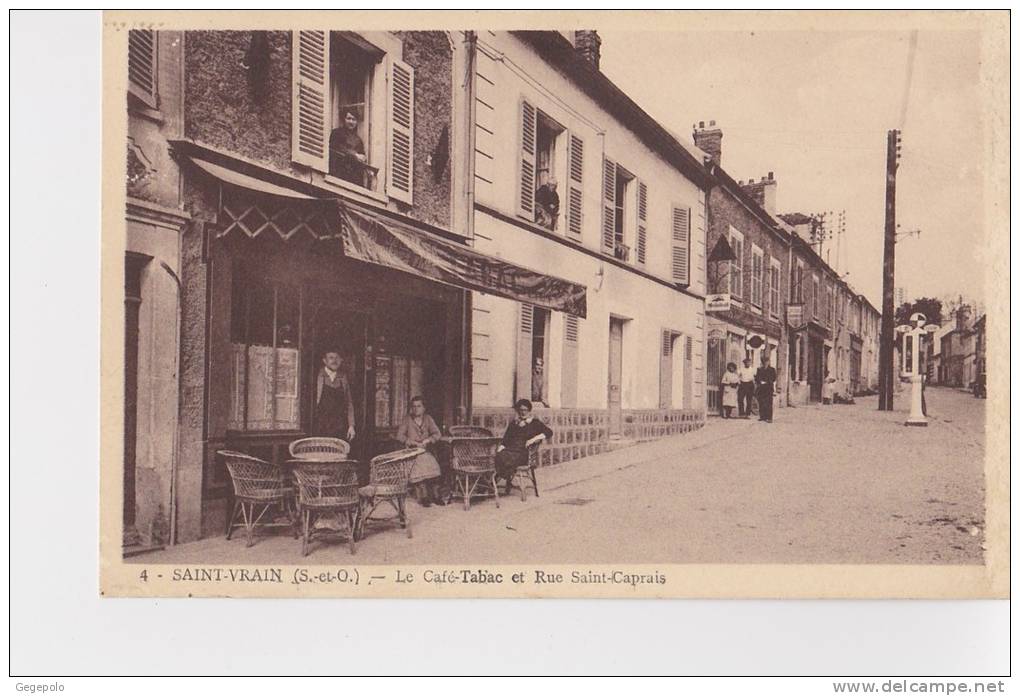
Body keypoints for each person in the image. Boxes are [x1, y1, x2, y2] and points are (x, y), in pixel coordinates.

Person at [494, 399, 553, 495]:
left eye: (525, 410)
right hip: (511, 450)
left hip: (524, 454)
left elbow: (549, 432)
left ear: (529, 410)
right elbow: (506, 439)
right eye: (520, 410)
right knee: (498, 455)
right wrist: (501, 447)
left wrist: (533, 439)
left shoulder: (535, 423)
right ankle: (493, 481)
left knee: (503, 457)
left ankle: (494, 481)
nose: (522, 412)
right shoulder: (514, 423)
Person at [396, 396, 446, 507]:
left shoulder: (428, 419)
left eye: (419, 406)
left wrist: (429, 440)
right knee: (419, 464)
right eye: (413, 406)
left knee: (433, 465)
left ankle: (436, 496)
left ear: (424, 408)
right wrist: (412, 442)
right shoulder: (407, 420)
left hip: (425, 450)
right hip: (412, 452)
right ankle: (423, 497)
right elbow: (399, 436)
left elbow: (437, 434)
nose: (416, 409)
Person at [313, 350, 356, 442]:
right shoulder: (317, 375)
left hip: (339, 426)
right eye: (331, 358)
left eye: (337, 358)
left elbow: (349, 403)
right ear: (325, 360)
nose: (334, 361)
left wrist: (351, 426)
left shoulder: (343, 377)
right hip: (321, 426)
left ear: (341, 360)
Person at [329, 107, 367, 186]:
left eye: (354, 119)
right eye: (349, 118)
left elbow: (362, 155)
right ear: (344, 119)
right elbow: (337, 148)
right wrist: (355, 155)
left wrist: (363, 158)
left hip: (353, 176)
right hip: (339, 172)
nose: (351, 122)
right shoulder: (337, 133)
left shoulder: (358, 140)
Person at [755, 354, 778, 423]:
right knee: (761, 402)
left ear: (769, 362)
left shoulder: (772, 369)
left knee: (768, 403)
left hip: (768, 388)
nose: (766, 363)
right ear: (762, 362)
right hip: (761, 388)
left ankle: (769, 417)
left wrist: (767, 382)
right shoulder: (759, 369)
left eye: (767, 361)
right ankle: (762, 416)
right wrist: (760, 381)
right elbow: (757, 378)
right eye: (764, 362)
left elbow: (774, 378)